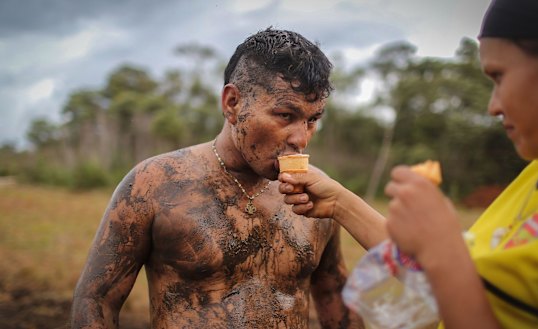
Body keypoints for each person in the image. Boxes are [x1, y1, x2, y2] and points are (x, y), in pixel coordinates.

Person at [279, 0, 538, 328]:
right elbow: (456, 283)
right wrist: (339, 202)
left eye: (499, 76)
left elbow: (449, 271)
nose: (493, 107)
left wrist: (445, 250)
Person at [71, 27, 364, 328]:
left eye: (312, 119)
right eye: (285, 116)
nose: (301, 139)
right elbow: (96, 300)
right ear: (232, 103)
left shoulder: (316, 196)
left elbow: (335, 297)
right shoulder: (155, 183)